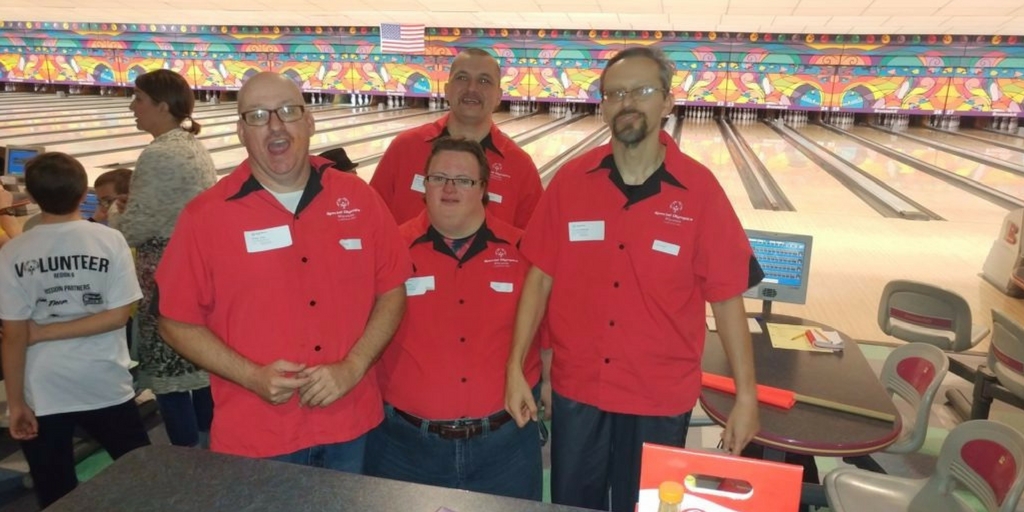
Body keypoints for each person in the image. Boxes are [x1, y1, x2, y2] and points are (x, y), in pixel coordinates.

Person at [504, 46, 764, 512]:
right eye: (615, 93)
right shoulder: (570, 182)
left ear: (667, 102)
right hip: (580, 386)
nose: (627, 102)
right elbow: (538, 279)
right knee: (572, 504)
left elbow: (726, 300)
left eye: (642, 91)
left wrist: (746, 396)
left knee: (645, 506)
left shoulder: (701, 190)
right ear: (603, 105)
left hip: (659, 395)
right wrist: (516, 367)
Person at [155, 72, 410, 472]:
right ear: (241, 131)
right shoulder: (205, 217)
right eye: (257, 115)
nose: (275, 125)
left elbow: (393, 290)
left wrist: (354, 366)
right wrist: (252, 376)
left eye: (289, 112)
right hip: (256, 434)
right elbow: (174, 321)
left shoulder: (359, 198)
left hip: (352, 425)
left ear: (309, 121)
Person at [366, 137, 542, 499]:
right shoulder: (388, 251)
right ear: (424, 186)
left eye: (463, 180)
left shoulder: (525, 251)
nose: (448, 188)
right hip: (405, 448)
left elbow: (551, 335)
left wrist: (550, 385)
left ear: (483, 190)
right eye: (438, 177)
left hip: (506, 447)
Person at [0, 152, 151, 509]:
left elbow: (14, 336)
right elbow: (117, 317)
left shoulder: (13, 253)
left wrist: (17, 402)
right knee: (148, 477)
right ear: (84, 195)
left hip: (42, 388)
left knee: (56, 493)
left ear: (32, 198)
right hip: (104, 380)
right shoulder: (108, 240)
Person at [118, 69, 217, 448]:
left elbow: (135, 231)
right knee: (198, 364)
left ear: (162, 106)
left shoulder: (159, 153)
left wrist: (110, 217)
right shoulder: (190, 145)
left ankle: (184, 461)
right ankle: (215, 451)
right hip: (193, 270)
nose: (132, 106)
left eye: (139, 99)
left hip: (166, 275)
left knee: (169, 372)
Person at [370, 48, 542, 229]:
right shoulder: (404, 148)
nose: (472, 88)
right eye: (462, 78)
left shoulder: (520, 166)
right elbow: (371, 222)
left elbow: (533, 243)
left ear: (499, 96)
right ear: (446, 89)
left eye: (484, 81)